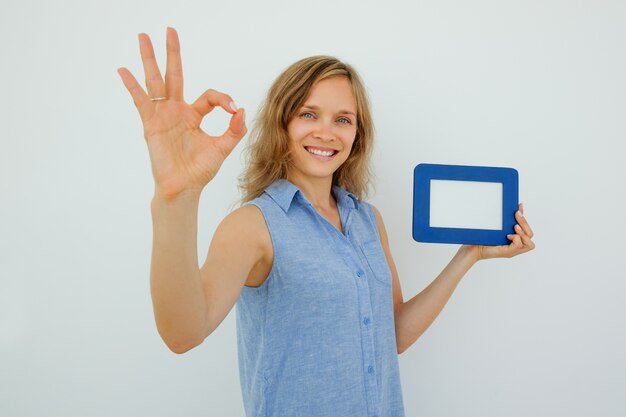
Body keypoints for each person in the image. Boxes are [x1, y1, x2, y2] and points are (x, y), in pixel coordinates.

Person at [118, 27, 535, 417]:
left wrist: (469, 256)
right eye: (308, 114)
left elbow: (395, 336)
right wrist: (177, 198)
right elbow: (183, 333)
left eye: (342, 119)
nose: (326, 132)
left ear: (357, 135)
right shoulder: (253, 225)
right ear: (282, 123)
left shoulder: (367, 219)